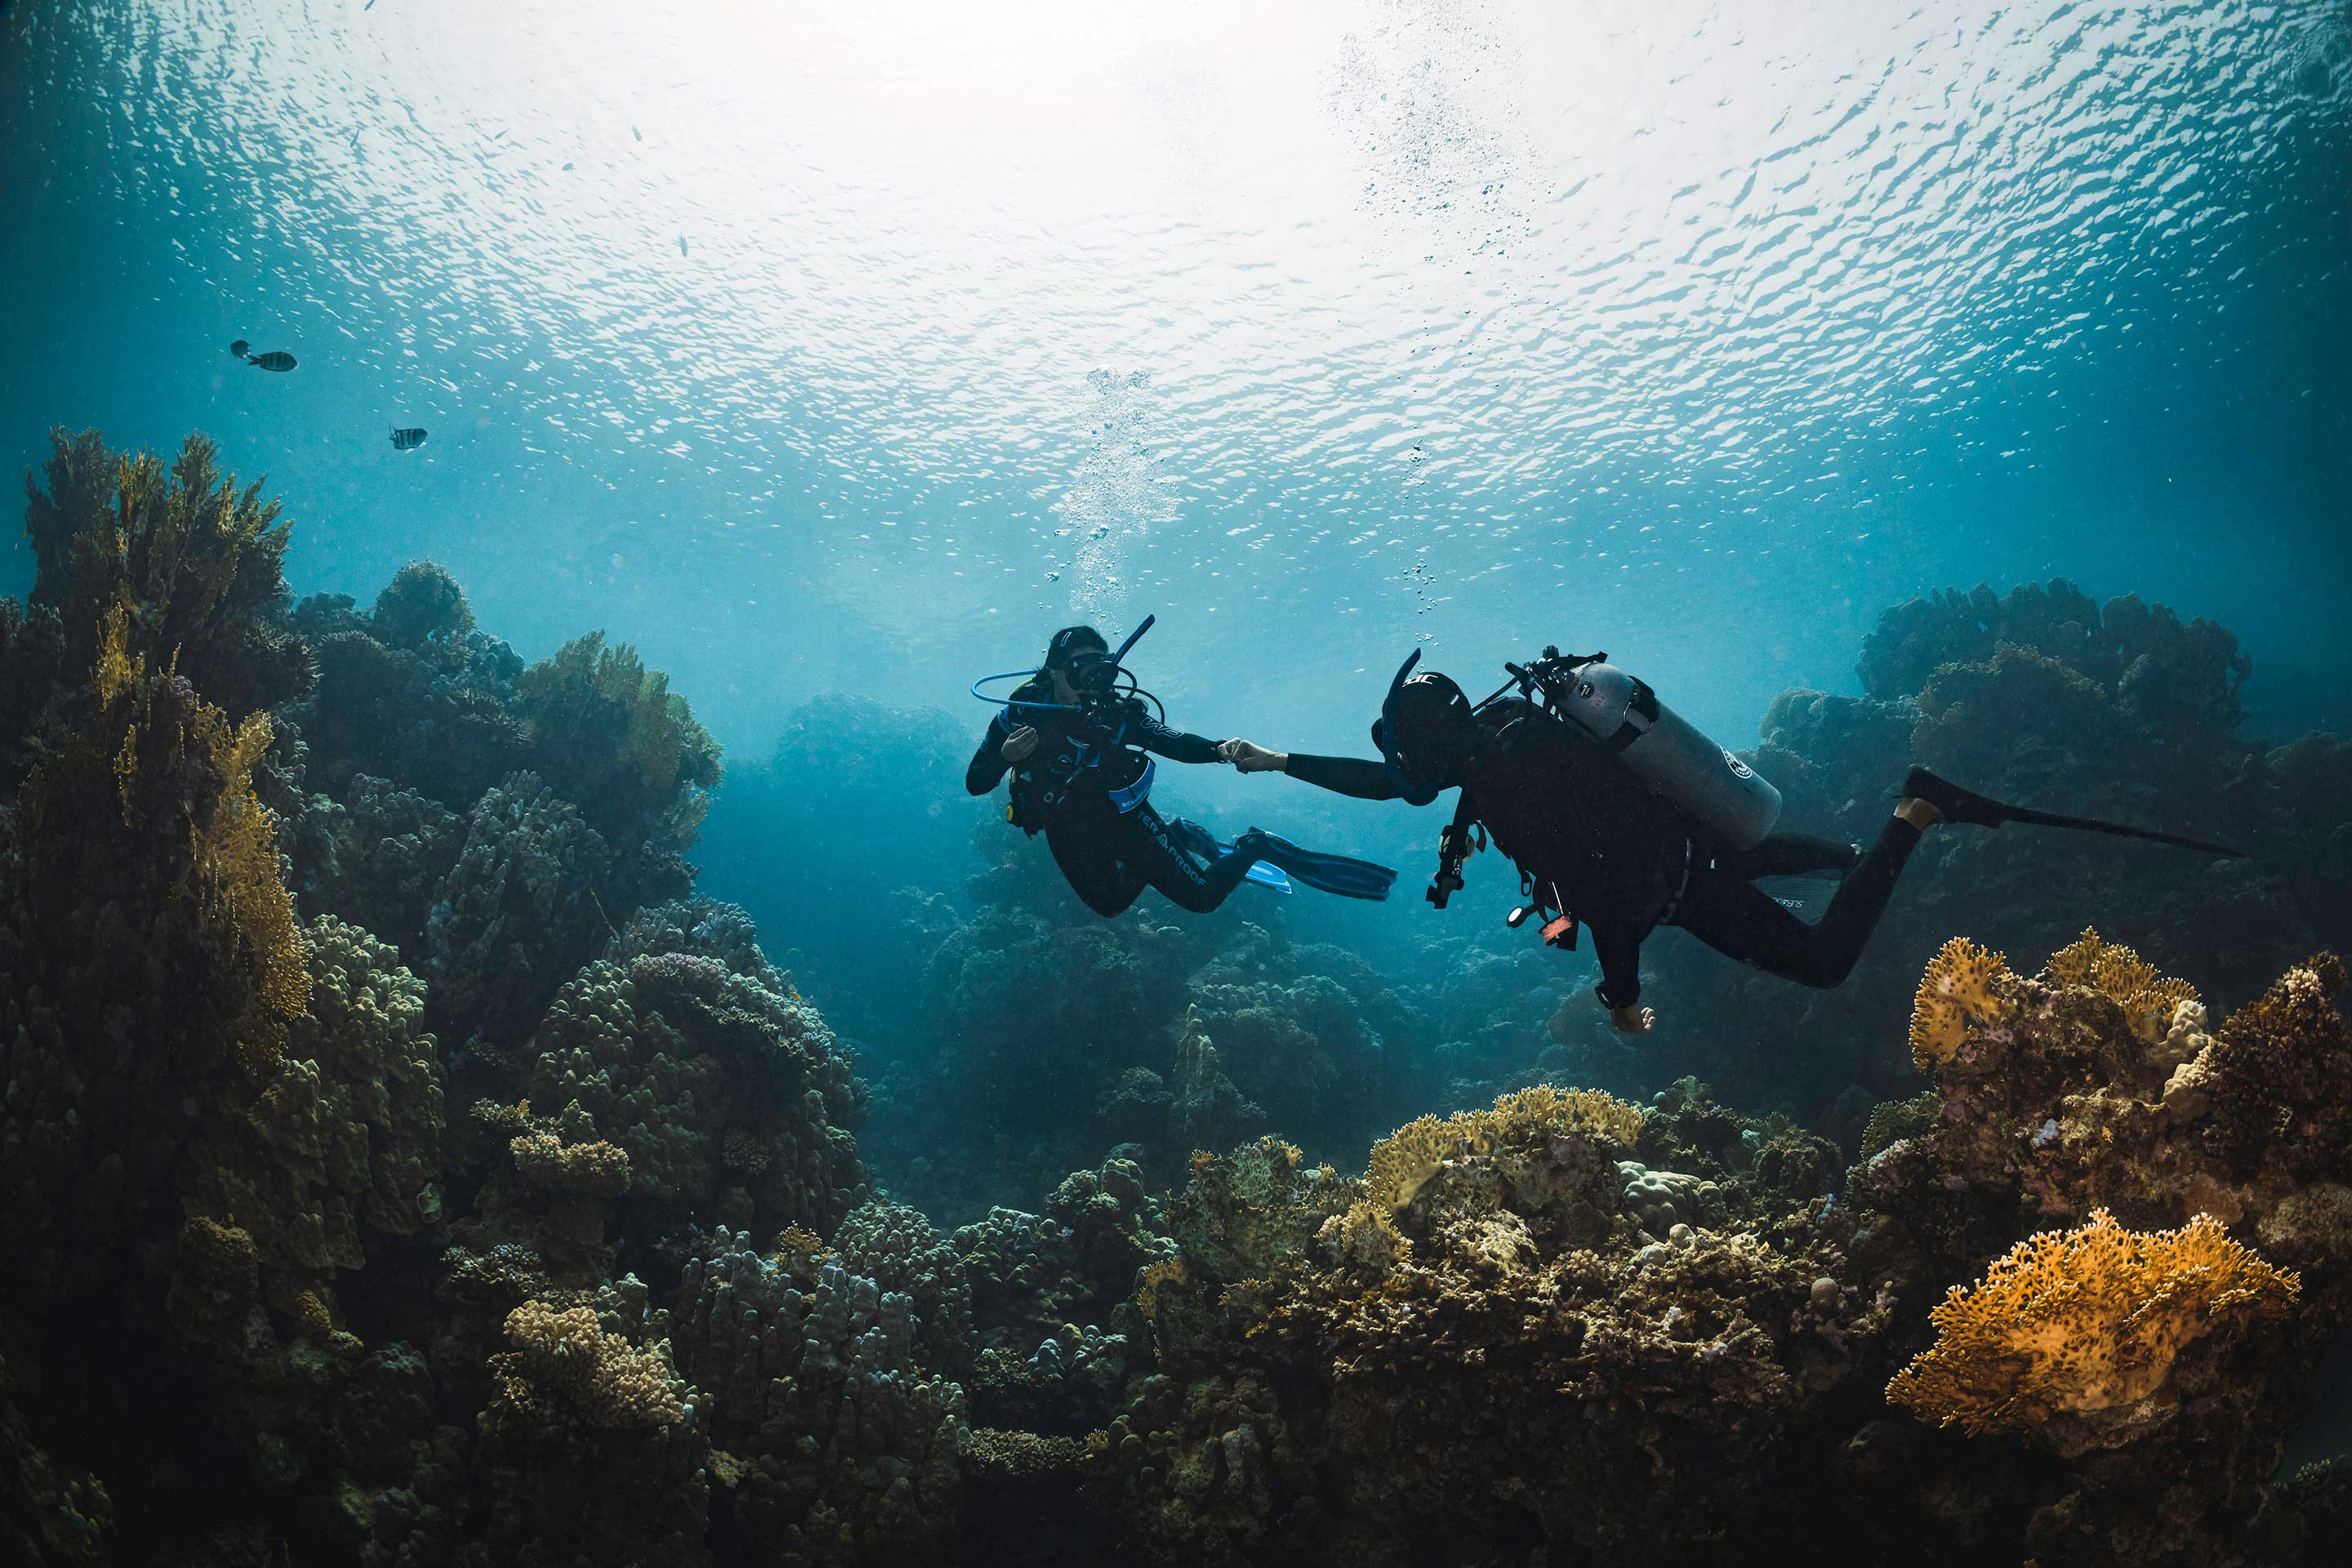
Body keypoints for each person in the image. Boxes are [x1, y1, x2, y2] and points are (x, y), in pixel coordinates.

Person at [1217, 656, 2121, 1036]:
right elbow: (1387, 782)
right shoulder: (1510, 739)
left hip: (1682, 887)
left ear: (1430, 745)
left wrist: (1621, 998)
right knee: (1796, 857)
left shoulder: (1509, 786)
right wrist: (1276, 761)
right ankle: (1864, 859)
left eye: (1408, 753)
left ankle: (1917, 815)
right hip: (1698, 837)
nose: (1406, 773)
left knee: (1824, 963)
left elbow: (1604, 899)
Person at [968, 625, 1395, 919]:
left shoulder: (1113, 713)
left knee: (1203, 898)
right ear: (1054, 671)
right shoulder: (1019, 715)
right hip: (1064, 825)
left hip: (1123, 819)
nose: (1095, 682)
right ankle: (1179, 833)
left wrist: (1219, 750)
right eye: (1083, 670)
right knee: (1109, 905)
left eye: (1101, 669)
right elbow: (976, 782)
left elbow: (1171, 742)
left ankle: (1257, 845)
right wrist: (1004, 756)